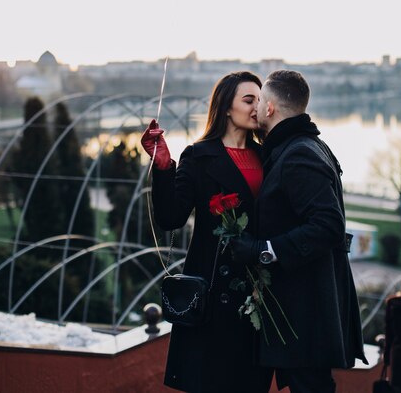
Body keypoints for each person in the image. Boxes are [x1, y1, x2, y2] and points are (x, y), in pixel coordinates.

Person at [231, 69, 368, 393]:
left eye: (259, 100)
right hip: (306, 318)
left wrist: (264, 250)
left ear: (270, 108)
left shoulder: (299, 155)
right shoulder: (304, 147)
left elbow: (328, 226)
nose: (255, 109)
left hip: (308, 318)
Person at [140, 71, 273, 393]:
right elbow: (171, 218)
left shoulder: (269, 155)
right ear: (226, 106)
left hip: (261, 292)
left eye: (261, 100)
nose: (257, 107)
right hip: (214, 295)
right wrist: (162, 168)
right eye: (248, 99)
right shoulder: (199, 156)